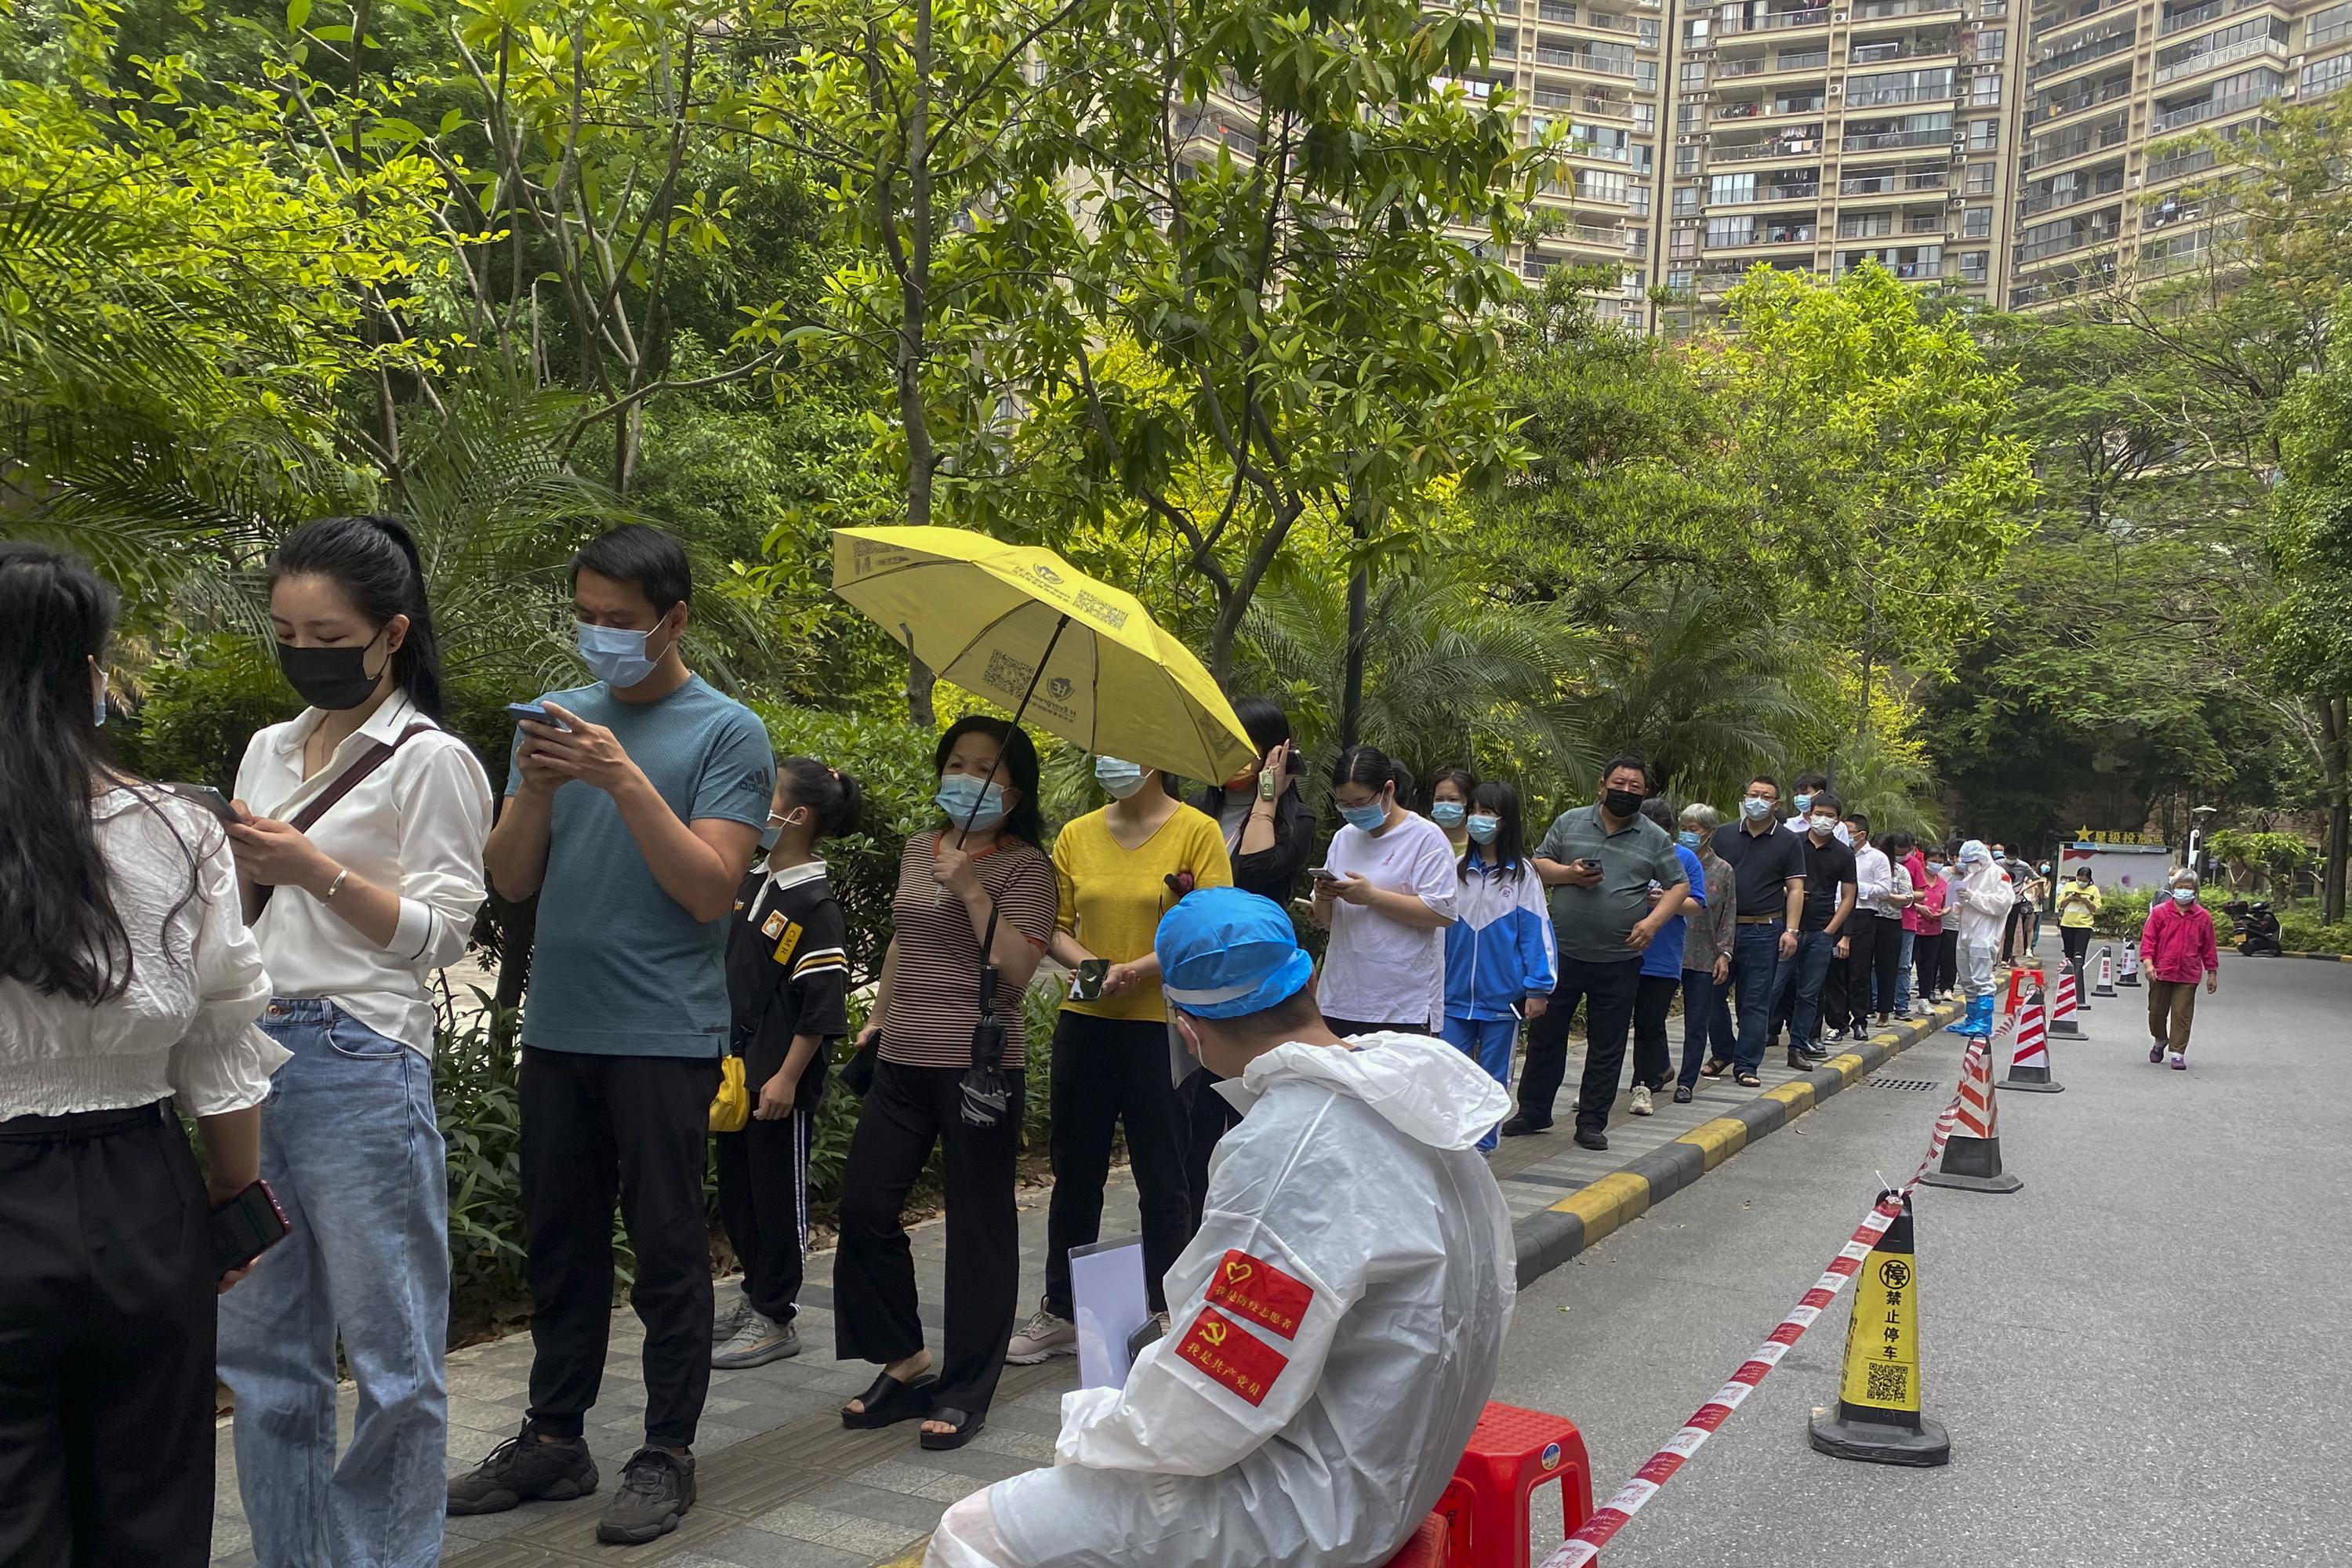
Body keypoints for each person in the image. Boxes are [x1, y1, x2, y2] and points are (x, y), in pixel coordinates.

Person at [920, 887, 1513, 1568]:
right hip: (1388, 1463)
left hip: (1309, 1508)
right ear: (1309, 980)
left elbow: (1206, 1409)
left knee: (973, 1531)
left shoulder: (1292, 1147)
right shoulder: (1410, 1095)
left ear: (1186, 1028)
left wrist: (1091, 1421)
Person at [450, 524, 776, 1544]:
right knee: (562, 1243)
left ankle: (666, 1453)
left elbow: (710, 890)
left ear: (674, 620)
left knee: (671, 1249)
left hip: (665, 1037)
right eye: (586, 618)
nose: (599, 639)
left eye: (621, 623)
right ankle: (556, 1438)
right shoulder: (550, 724)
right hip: (560, 1029)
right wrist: (541, 788)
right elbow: (509, 879)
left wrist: (624, 778)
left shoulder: (729, 734)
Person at [0, 542, 287, 1567]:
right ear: (87, 677)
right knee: (151, 1509)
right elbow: (222, 1041)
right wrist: (233, 1201)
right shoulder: (180, 831)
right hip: (140, 1197)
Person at [216, 516, 494, 1568]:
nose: (304, 649)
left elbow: (442, 935)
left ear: (390, 634)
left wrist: (314, 869)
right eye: (287, 630)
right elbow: (245, 921)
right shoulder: (270, 746)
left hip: (359, 1057)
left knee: (394, 1356)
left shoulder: (434, 762)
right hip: (250, 1057)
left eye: (326, 632)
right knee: (264, 1359)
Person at [832, 717, 1057, 1450]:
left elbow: (1020, 972)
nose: (967, 777)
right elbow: (903, 939)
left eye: (985, 768)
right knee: (865, 1209)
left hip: (979, 1068)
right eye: (956, 763)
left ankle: (966, 1387)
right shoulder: (915, 850)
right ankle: (905, 1358)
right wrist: (877, 1017)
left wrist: (971, 892)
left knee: (979, 1228)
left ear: (1015, 788)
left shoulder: (1027, 868)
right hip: (902, 1057)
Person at [1007, 758, 1232, 1365]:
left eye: (1125, 748)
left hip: (1160, 1023)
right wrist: (1095, 968)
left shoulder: (1196, 832)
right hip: (1086, 1017)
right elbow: (1053, 926)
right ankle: (1060, 1309)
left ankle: (1167, 1308)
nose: (1111, 760)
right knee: (1074, 1170)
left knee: (1165, 1174)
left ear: (1157, 758)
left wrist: (1139, 969)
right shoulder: (1076, 833)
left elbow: (1209, 924)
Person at [711, 760, 860, 1370]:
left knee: (777, 1197)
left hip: (775, 1081)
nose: (750, 803)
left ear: (795, 816)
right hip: (736, 1076)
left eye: (761, 792)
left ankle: (778, 1314)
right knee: (740, 1195)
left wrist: (788, 1077)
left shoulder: (815, 903)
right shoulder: (752, 880)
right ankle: (754, 1294)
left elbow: (822, 1008)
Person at [1504, 757, 1688, 1149]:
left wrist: (1652, 923)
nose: (1626, 792)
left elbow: (1678, 886)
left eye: (1635, 787)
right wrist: (1569, 874)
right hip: (1563, 953)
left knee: (1608, 1042)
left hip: (1619, 959)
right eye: (1619, 784)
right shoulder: (1570, 821)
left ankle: (1591, 1121)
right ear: (1602, 786)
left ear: (1645, 794)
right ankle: (1533, 1111)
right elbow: (1536, 866)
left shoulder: (1654, 836)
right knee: (1545, 1036)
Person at [1183, 697, 1316, 1232]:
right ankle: (1194, 1239)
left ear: (1275, 753)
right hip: (1198, 979)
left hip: (1258, 987)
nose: (1232, 759)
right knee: (1194, 1122)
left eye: (1247, 748)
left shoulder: (1296, 816)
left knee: (1253, 1114)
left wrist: (1266, 798)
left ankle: (1255, 1234)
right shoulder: (1197, 808)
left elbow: (1260, 866)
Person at [1440, 780, 1556, 1151]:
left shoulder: (1522, 875)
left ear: (1506, 821)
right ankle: (1450, 1145)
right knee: (1448, 1074)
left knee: (1493, 1078)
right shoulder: (1455, 869)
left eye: (1487, 813)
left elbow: (1536, 934)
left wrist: (1538, 988)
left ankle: (1483, 1148)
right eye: (1474, 810)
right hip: (1453, 997)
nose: (1478, 819)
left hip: (1502, 1001)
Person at [1311, 746, 1457, 1036]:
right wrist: (1324, 899)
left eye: (1360, 802)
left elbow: (1442, 913)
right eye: (1344, 804)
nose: (1352, 811)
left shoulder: (1426, 838)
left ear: (1388, 790)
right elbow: (1329, 922)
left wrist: (1371, 897)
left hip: (1403, 1004)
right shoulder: (1343, 838)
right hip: (1341, 997)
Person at [1704, 776, 1806, 1089]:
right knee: (1709, 995)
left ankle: (1747, 1064)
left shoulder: (1788, 841)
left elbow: (1796, 888)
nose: (1758, 801)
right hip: (1722, 930)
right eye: (1753, 794)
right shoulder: (1722, 835)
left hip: (1764, 930)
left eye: (1765, 796)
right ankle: (1723, 1051)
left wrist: (1791, 931)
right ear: (1744, 797)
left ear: (1776, 804)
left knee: (1755, 1001)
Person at [1628, 797, 1708, 1116]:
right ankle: (1606, 1083)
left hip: (1662, 956)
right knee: (1615, 1023)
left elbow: (1697, 904)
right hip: (1621, 951)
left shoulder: (1684, 858)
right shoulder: (1625, 852)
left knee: (1649, 1021)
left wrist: (1667, 901)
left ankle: (1642, 1084)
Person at [1781, 794, 1857, 1069]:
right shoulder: (1792, 843)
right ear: (1809, 814)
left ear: (1837, 819)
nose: (1823, 819)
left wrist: (1830, 932)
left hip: (1820, 932)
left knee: (1809, 994)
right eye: (1819, 813)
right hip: (1788, 930)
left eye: (1829, 815)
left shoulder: (1844, 854)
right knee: (1772, 988)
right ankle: (1750, 1049)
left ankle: (1798, 1046)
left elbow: (1849, 896)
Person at [1668, 804, 1737, 1106]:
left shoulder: (1723, 871)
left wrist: (1724, 954)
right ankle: (1653, 1073)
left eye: (1693, 829)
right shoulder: (1668, 862)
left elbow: (1728, 915)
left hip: (1703, 954)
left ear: (1708, 834)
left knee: (1697, 1021)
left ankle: (1687, 1081)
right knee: (1651, 1019)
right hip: (1667, 952)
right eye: (1682, 827)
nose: (1686, 834)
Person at [2142, 871, 2220, 1070]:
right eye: (2181, 887)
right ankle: (2160, 1039)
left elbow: (2209, 947)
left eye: (2189, 888)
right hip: (2161, 970)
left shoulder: (2203, 917)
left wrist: (2212, 972)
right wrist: (2148, 963)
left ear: (2195, 891)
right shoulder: (2159, 912)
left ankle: (2178, 1052)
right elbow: (2149, 939)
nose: (2184, 891)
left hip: (2188, 973)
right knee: (2157, 1012)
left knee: (2182, 1014)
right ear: (2173, 888)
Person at [1947, 840, 2013, 1039]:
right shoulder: (1970, 875)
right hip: (1966, 931)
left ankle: (1983, 1022)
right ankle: (1971, 1019)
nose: (1969, 865)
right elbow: (1964, 903)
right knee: (1967, 979)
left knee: (1982, 979)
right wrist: (1958, 902)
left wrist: (1973, 897)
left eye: (1973, 861)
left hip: (1984, 934)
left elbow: (2003, 903)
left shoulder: (1998, 874)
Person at [1892, 833, 1931, 1017]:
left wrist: (1902, 895)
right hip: (1884, 920)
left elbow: (1921, 894)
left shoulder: (1914, 864)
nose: (1900, 857)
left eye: (1903, 853)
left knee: (1904, 965)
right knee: (1878, 964)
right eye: (1896, 853)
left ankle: (1901, 1004)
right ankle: (1876, 1003)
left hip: (1907, 920)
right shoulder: (1883, 861)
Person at [2054, 866, 2103, 970]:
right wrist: (2070, 898)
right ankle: (2068, 977)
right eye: (2079, 879)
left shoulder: (2094, 890)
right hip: (2067, 924)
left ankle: (2078, 978)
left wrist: (2086, 901)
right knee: (2069, 954)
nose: (2081, 883)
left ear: (2089, 880)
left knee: (2079, 955)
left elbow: (2097, 909)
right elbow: (2059, 905)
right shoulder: (2068, 886)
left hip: (2084, 926)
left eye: (2084, 881)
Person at [1426, 768, 1476, 859]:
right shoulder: (1422, 842)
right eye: (1439, 799)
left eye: (1453, 799)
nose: (1445, 806)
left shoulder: (1479, 849)